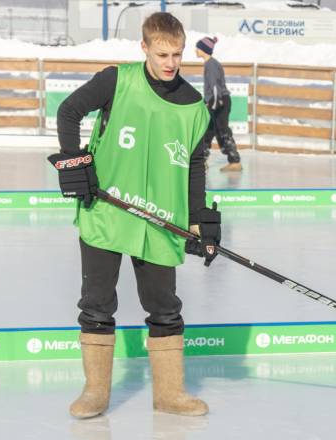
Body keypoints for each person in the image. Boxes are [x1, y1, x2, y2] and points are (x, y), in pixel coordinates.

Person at [49, 12, 221, 419]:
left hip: (161, 220)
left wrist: (199, 218)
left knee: (165, 308)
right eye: (162, 53)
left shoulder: (193, 106)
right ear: (144, 47)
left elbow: (195, 164)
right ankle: (95, 393)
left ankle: (170, 393)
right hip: (107, 211)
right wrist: (75, 163)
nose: (171, 63)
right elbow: (68, 112)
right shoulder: (117, 80)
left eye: (177, 54)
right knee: (96, 305)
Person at [195, 36, 242, 172]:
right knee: (207, 131)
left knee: (222, 131)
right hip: (214, 101)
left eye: (197, 47)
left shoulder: (211, 64)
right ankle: (201, 161)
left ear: (204, 49)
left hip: (219, 101)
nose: (195, 50)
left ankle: (235, 161)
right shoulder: (209, 63)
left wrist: (214, 104)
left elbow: (215, 87)